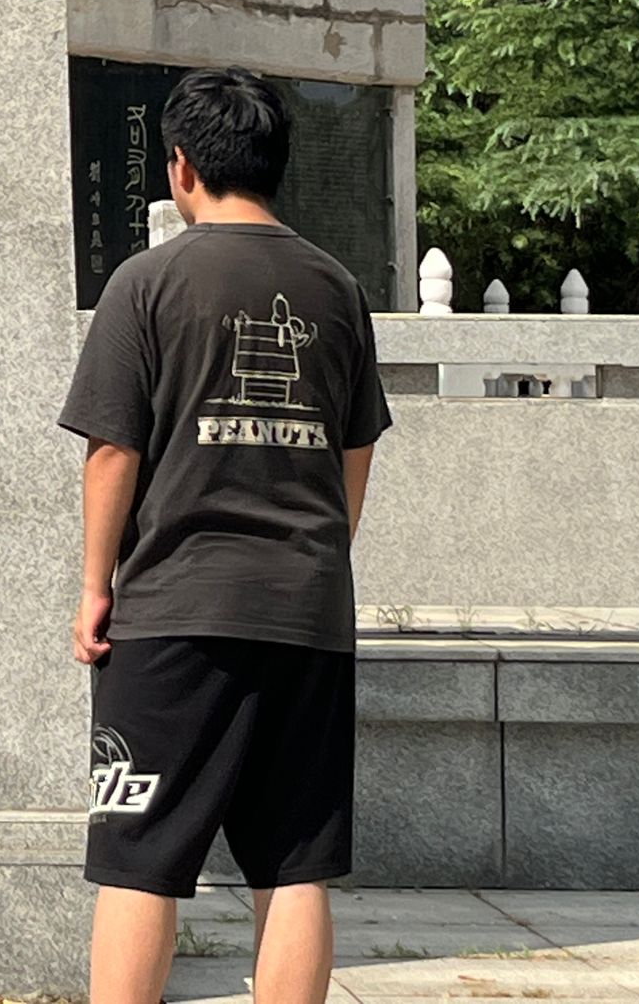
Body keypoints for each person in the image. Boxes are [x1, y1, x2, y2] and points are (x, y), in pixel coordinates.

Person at [58, 66, 390, 1004]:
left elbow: (113, 452)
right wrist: (319, 560)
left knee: (140, 855)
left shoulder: (148, 283)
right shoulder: (335, 288)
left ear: (182, 167)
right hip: (305, 608)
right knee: (294, 862)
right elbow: (355, 449)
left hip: (176, 609)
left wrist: (95, 586)